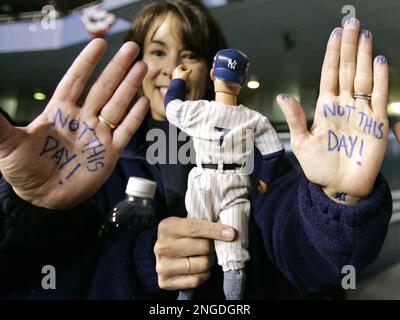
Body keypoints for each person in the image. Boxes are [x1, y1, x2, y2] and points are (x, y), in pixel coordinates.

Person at [0, 0, 392, 299]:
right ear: (135, 62)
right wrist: (36, 209)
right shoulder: (92, 164)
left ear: (209, 68)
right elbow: (38, 281)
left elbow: (302, 252)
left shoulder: (246, 149)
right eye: (157, 52)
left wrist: (336, 200)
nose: (174, 69)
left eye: (190, 54)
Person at [164, 49, 284, 300]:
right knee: (233, 256)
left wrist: (178, 80)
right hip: (235, 184)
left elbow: (171, 106)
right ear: (241, 81)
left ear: (212, 76)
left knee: (193, 250)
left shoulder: (198, 110)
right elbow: (274, 152)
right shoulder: (254, 118)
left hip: (203, 182)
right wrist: (264, 180)